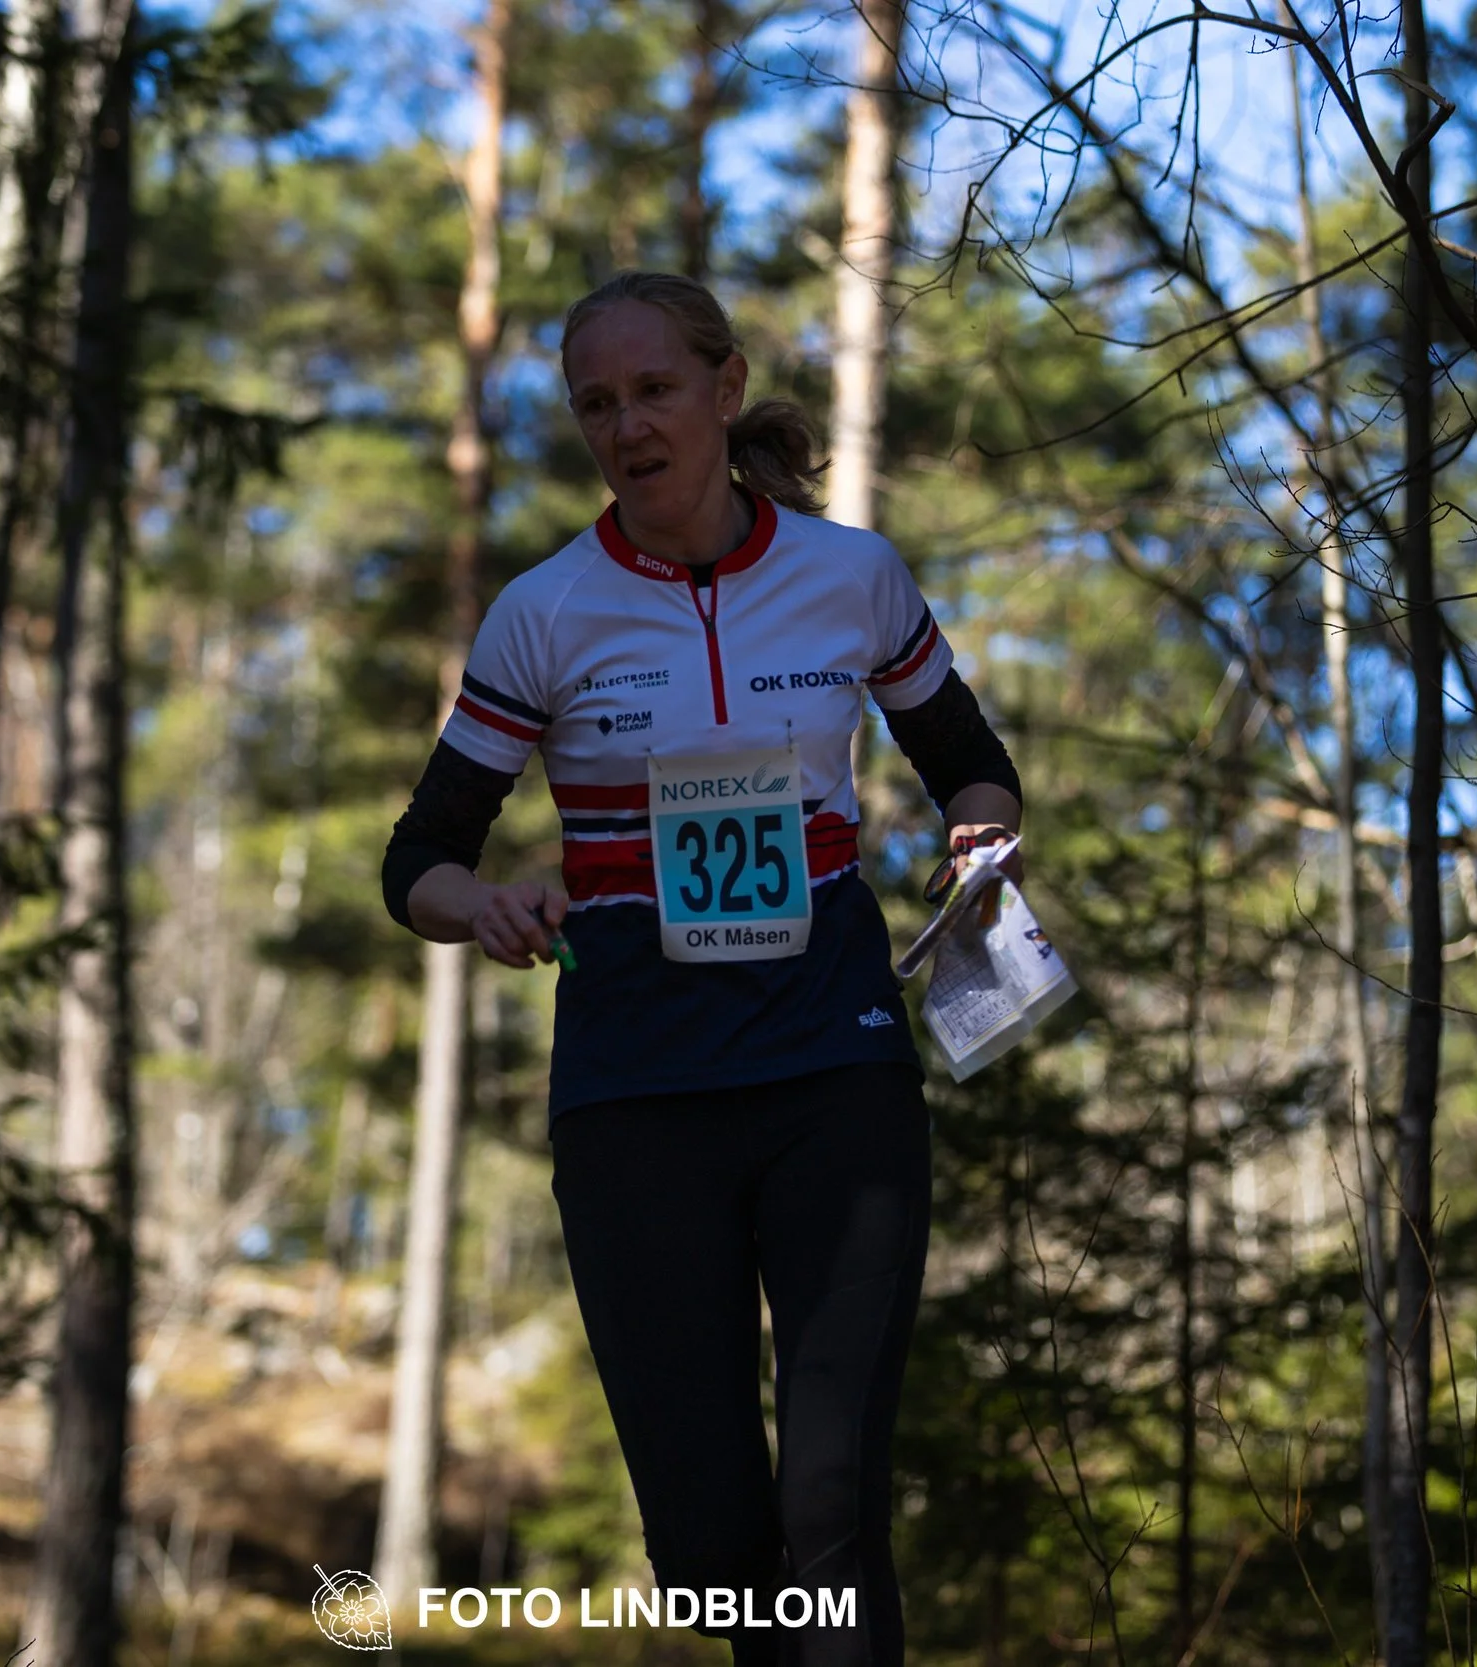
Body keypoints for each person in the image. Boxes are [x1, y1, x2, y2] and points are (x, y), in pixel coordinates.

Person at [380, 270, 1024, 1667]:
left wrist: (980, 821)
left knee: (833, 1501)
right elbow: (415, 857)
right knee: (710, 1544)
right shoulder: (544, 614)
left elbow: (969, 755)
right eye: (597, 404)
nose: (629, 426)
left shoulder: (851, 576)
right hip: (636, 1096)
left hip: (831, 1071)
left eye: (656, 390)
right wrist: (481, 903)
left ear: (726, 393)